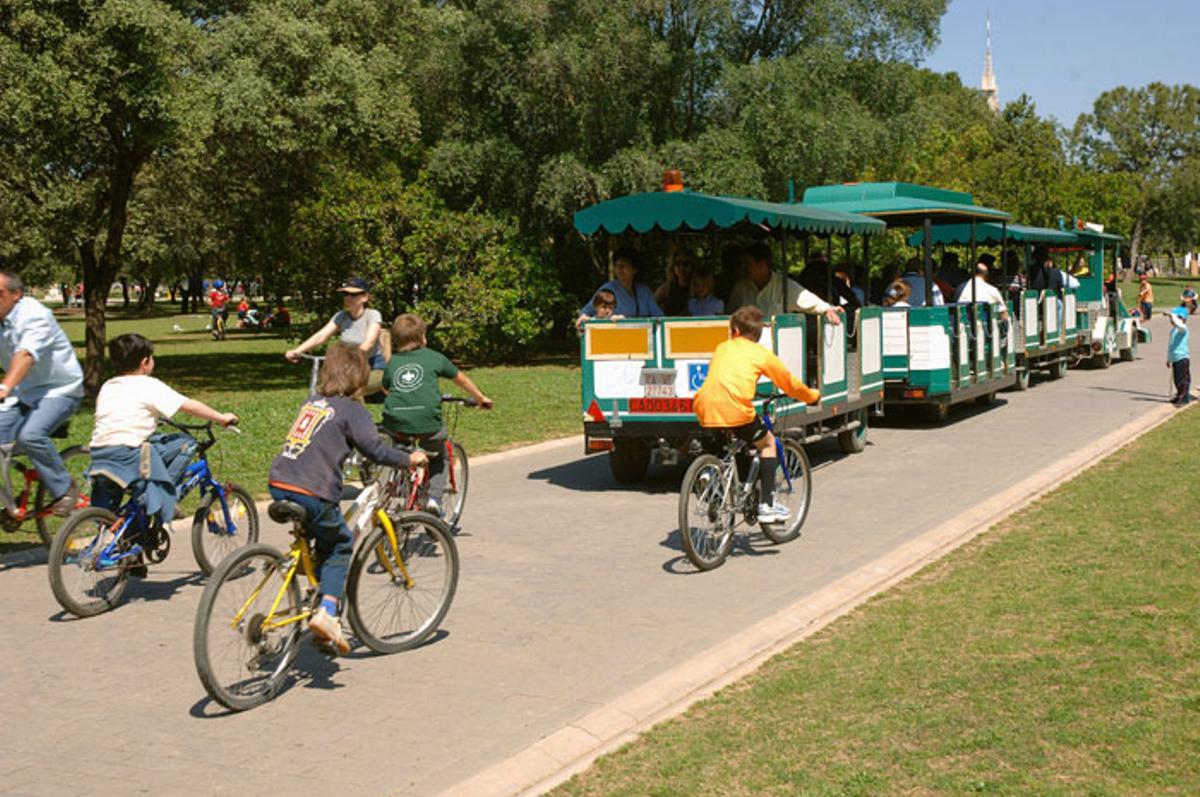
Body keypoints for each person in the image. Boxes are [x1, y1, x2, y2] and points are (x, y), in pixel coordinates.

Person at [269, 343, 426, 653]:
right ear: (360, 378)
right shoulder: (353, 409)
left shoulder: (314, 401)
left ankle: (313, 583)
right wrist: (410, 459)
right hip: (314, 490)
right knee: (340, 543)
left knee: (321, 535)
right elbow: (376, 450)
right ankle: (327, 611)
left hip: (279, 481)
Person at [87, 334, 238, 572]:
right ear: (145, 362)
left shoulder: (109, 385)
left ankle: (131, 546)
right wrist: (221, 418)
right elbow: (189, 406)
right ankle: (164, 495)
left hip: (99, 454)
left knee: (150, 452)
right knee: (185, 443)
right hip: (129, 454)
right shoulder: (148, 385)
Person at [693, 306, 821, 522]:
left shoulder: (722, 348)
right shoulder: (761, 354)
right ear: (757, 335)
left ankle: (710, 476)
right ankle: (767, 505)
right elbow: (789, 383)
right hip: (735, 409)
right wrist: (811, 396)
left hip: (705, 406)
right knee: (768, 444)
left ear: (734, 331)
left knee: (722, 448)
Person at [382, 314, 493, 517]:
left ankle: (397, 485)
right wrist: (480, 398)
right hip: (427, 424)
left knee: (401, 449)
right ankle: (433, 499)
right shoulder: (434, 357)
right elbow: (462, 380)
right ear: (423, 337)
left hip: (394, 421)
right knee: (440, 457)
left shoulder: (393, 362)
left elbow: (386, 387)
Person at [0, 271, 85, 515]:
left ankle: (64, 488)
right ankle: (12, 503)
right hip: (23, 392)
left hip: (59, 390)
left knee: (30, 435)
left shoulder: (34, 314)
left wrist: (5, 386)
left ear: (16, 294)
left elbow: (26, 355)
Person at [727, 242, 842, 325]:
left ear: (761, 265)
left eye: (747, 264)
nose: (742, 268)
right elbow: (730, 314)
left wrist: (828, 309)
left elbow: (807, 299)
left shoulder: (783, 285)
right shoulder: (741, 286)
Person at [286, 277, 385, 370]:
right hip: (348, 364)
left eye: (353, 295)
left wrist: (348, 357)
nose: (348, 298)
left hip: (372, 364)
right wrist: (298, 351)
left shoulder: (373, 315)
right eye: (345, 294)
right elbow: (321, 336)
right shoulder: (341, 316)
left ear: (365, 297)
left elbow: (369, 343)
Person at [576, 248, 662, 329]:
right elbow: (586, 312)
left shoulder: (644, 292)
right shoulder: (607, 289)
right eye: (617, 265)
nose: (620, 269)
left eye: (624, 265)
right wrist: (583, 319)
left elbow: (660, 318)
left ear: (634, 270)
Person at [954, 256, 1010, 321]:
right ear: (986, 276)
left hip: (963, 324)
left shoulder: (959, 288)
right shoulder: (992, 290)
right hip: (986, 326)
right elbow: (1004, 313)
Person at [654, 248, 695, 316]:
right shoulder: (666, 288)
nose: (682, 268)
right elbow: (651, 306)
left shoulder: (698, 288)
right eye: (678, 263)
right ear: (672, 266)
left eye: (686, 264)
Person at [1165, 307, 1191, 406]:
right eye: (1171, 320)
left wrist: (1172, 315)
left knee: (1182, 380)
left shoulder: (1183, 329)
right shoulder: (1173, 331)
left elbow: (1180, 325)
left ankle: (1184, 398)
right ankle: (1180, 395)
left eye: (1175, 318)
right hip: (1175, 358)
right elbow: (1171, 346)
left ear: (1182, 319)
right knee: (1177, 379)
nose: (1172, 321)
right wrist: (1168, 359)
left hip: (1182, 358)